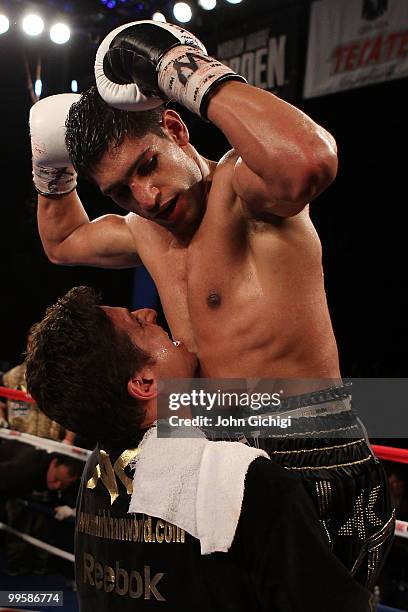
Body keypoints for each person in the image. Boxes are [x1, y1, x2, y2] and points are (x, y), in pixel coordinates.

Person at [29, 21, 393, 588]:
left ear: (175, 127)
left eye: (146, 166)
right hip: (220, 464)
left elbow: (308, 163)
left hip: (310, 450)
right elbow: (62, 242)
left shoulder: (242, 191)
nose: (146, 199)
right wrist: (51, 165)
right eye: (122, 190)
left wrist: (181, 70)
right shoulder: (145, 230)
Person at [25, 285, 372, 611]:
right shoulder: (242, 481)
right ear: (145, 382)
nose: (149, 312)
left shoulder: (96, 469)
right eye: (136, 323)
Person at [0, 442, 82, 574]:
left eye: (63, 484)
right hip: (11, 474)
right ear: (53, 464)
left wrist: (70, 508)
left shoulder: (70, 474)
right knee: (17, 516)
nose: (57, 486)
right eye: (56, 479)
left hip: (30, 484)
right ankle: (16, 563)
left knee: (42, 523)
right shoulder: (23, 467)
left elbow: (69, 496)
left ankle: (39, 564)